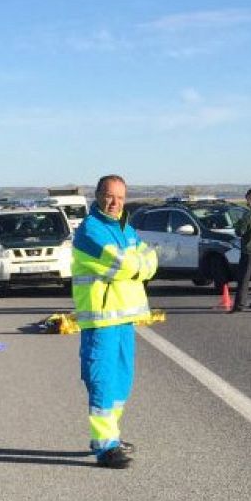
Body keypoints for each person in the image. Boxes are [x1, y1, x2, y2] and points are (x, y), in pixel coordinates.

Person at [71, 174, 157, 468]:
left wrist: (139, 264)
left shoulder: (125, 227)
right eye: (109, 196)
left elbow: (150, 260)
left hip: (124, 319)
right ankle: (105, 446)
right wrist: (138, 266)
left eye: (120, 197)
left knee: (122, 382)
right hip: (101, 322)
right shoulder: (89, 231)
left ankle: (110, 437)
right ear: (97, 195)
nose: (115, 203)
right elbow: (120, 264)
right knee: (102, 382)